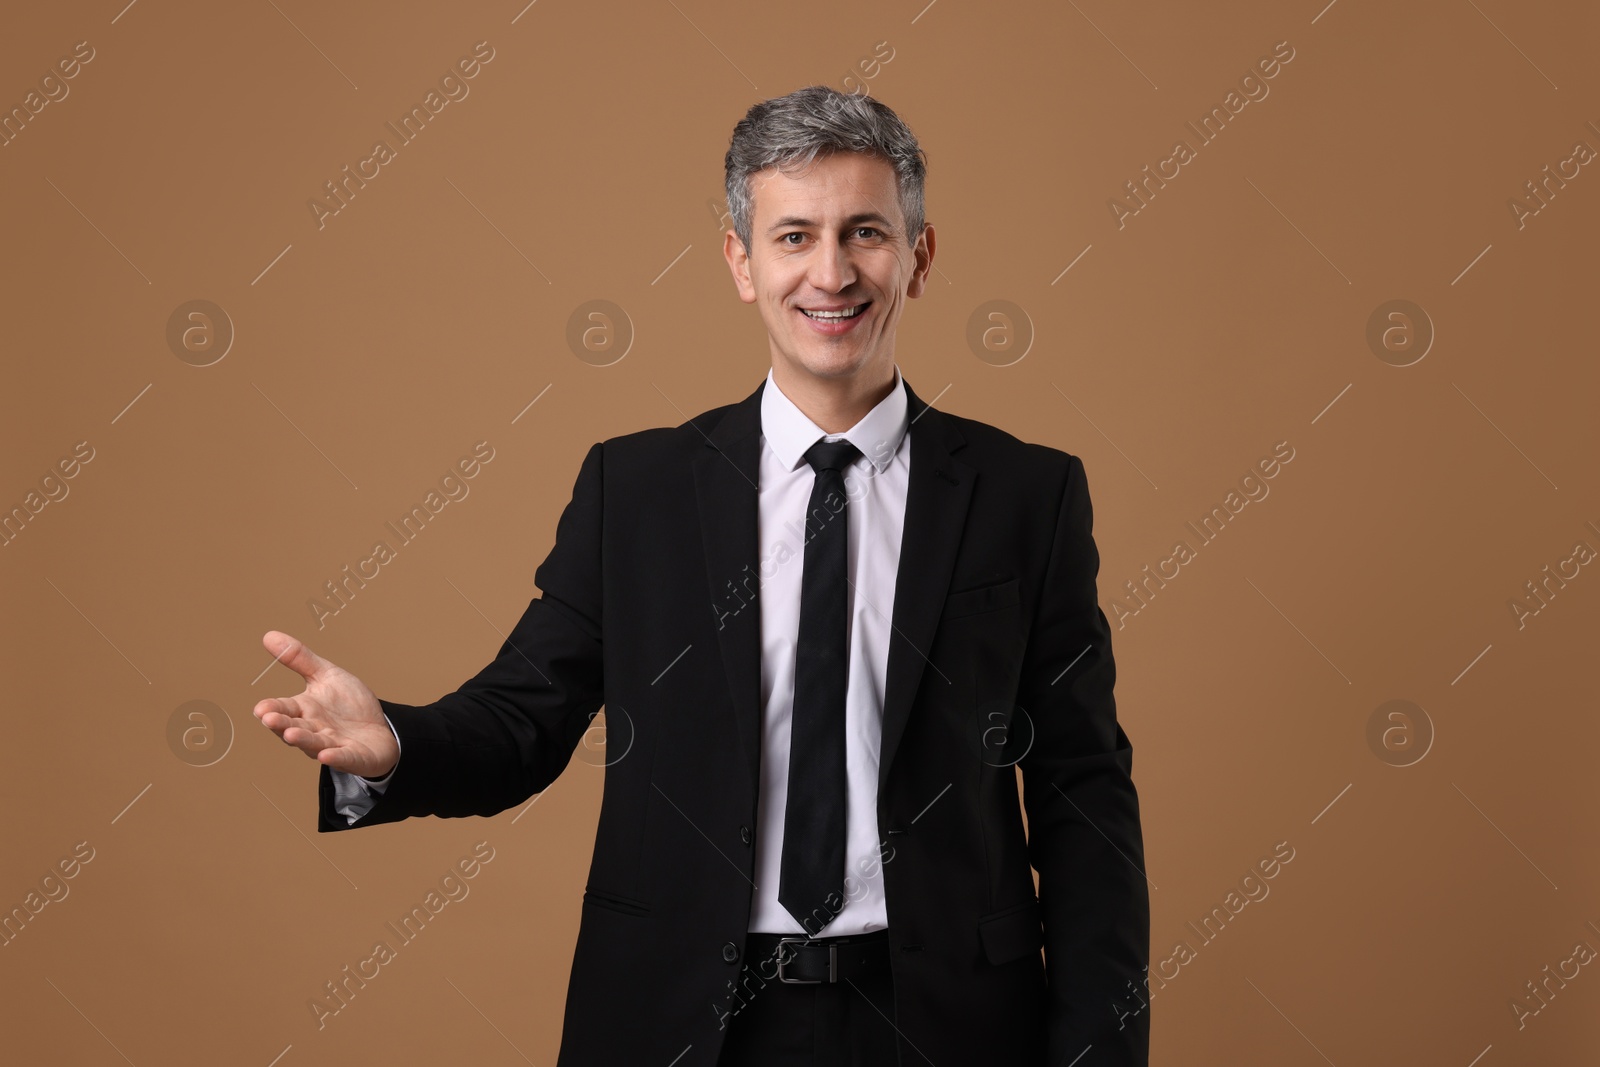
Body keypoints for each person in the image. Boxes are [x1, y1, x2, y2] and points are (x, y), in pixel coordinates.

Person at [254, 84, 1150, 1066]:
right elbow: (522, 718)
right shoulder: (635, 490)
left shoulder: (1026, 494)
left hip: (947, 1025)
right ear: (739, 260)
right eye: (793, 235)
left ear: (919, 256)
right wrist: (389, 743)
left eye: (865, 233)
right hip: (684, 1019)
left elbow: (1082, 795)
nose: (832, 272)